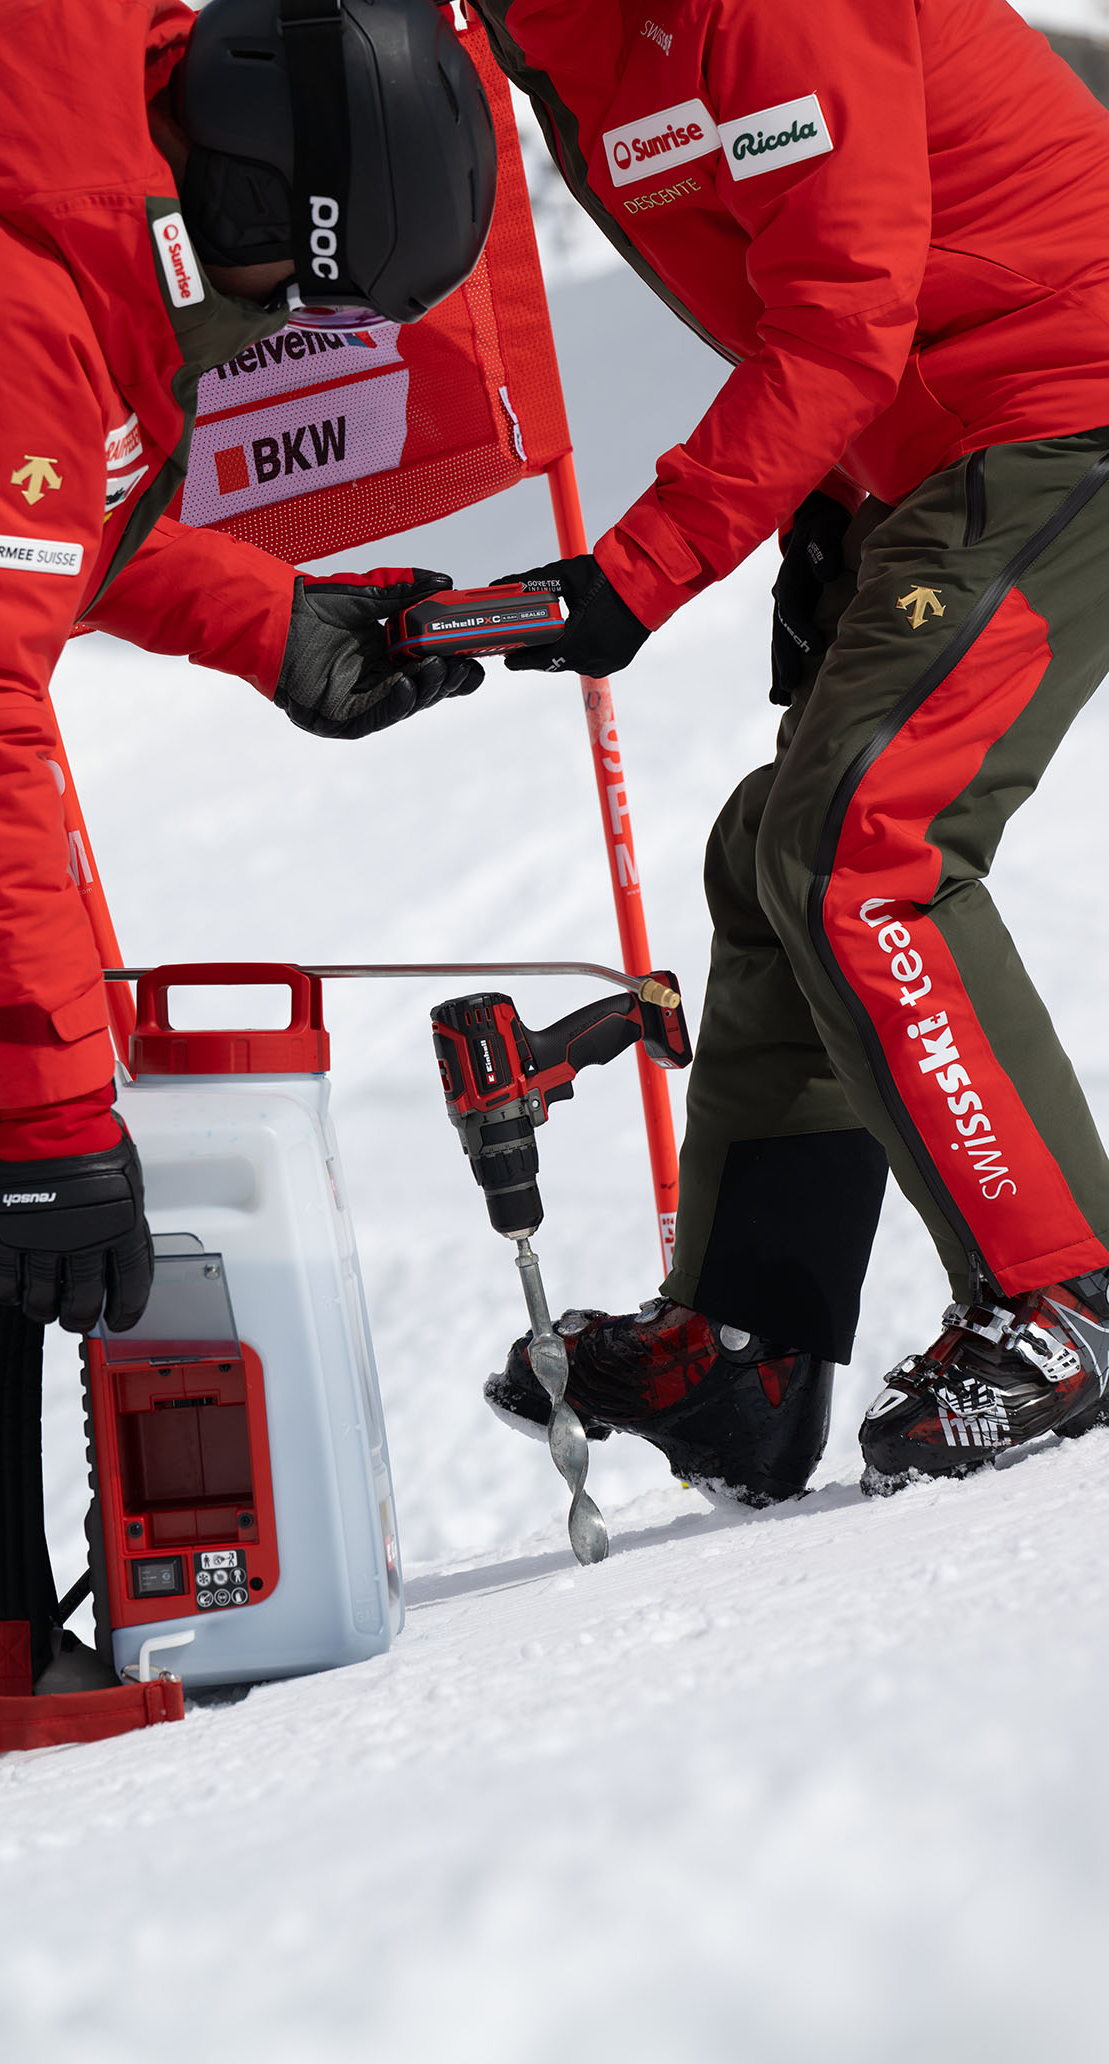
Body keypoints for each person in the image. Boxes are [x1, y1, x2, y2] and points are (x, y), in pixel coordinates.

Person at [0, 0, 496, 1771]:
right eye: (299, 288)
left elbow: (49, 523)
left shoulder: (77, 213)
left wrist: (287, 629)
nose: (287, 327)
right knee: (18, 1121)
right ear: (242, 194)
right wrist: (70, 1114)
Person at [473, 0, 1109, 1502]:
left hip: (1065, 402)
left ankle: (1067, 1291)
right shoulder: (555, 34)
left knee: (864, 844)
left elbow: (838, 308)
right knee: (778, 846)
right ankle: (750, 1353)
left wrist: (638, 570)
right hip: (931, 430)